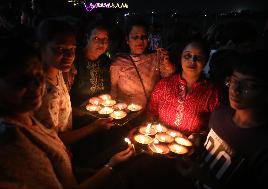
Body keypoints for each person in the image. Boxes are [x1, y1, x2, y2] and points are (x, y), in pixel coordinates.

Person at [0, 31, 134, 189]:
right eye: (21, 80)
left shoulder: (23, 115)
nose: (35, 87)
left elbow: (57, 168)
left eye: (38, 77)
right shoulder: (8, 142)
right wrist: (111, 166)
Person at [176, 50, 268, 189]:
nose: (235, 89)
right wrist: (198, 140)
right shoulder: (219, 114)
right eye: (234, 80)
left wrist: (207, 179)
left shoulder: (261, 145)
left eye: (250, 85)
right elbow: (208, 144)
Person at [34, 17, 113, 146]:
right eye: (60, 49)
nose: (70, 56)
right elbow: (53, 141)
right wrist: (93, 127)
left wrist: (84, 111)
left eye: (72, 49)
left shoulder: (59, 73)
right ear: (40, 47)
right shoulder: (41, 92)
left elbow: (63, 110)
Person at [148, 38, 220, 135]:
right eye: (187, 55)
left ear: (206, 61)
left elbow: (214, 129)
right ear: (181, 57)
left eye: (198, 57)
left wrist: (199, 138)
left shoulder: (213, 94)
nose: (192, 60)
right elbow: (151, 113)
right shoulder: (163, 85)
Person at [110, 17, 174, 108]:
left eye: (143, 37)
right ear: (127, 40)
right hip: (127, 114)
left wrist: (167, 62)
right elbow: (113, 89)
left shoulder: (155, 57)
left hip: (151, 111)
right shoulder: (119, 62)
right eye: (135, 37)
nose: (140, 41)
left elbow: (168, 78)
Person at [70, 19, 112, 120]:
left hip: (102, 115)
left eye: (105, 39)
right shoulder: (73, 60)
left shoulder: (106, 61)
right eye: (96, 38)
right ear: (87, 38)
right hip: (77, 117)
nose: (101, 43)